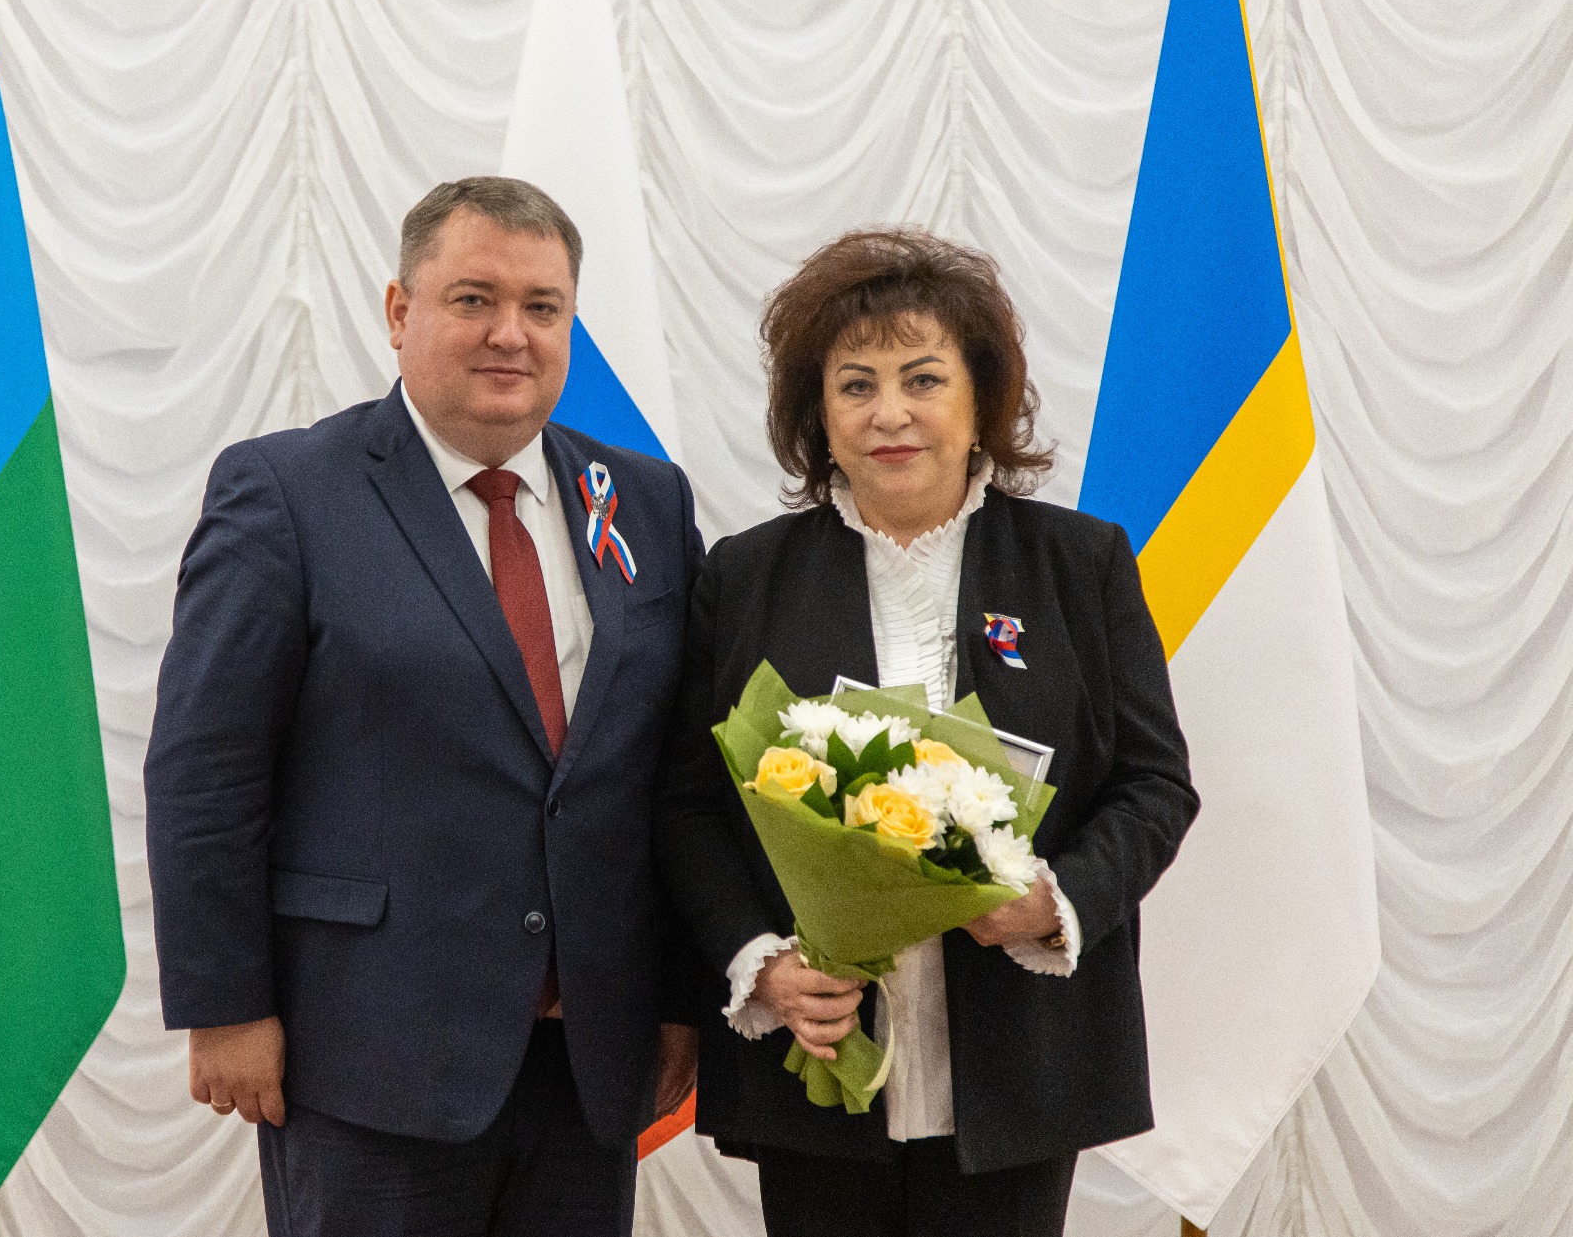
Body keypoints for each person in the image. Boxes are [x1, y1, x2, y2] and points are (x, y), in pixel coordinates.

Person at [145, 176, 701, 1237]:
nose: (511, 334)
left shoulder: (645, 500)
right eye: (473, 299)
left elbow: (673, 775)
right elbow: (206, 772)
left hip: (589, 1058)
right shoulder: (286, 493)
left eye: (542, 307)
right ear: (400, 311)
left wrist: (677, 1000)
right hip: (368, 1055)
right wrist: (225, 1005)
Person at [654, 228, 1199, 1237]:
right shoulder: (745, 576)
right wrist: (762, 964)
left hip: (1024, 1060)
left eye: (923, 378)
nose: (890, 413)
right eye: (855, 385)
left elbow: (1156, 784)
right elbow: (690, 805)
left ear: (980, 400)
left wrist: (1053, 904)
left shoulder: (1080, 565)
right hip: (815, 1052)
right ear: (818, 414)